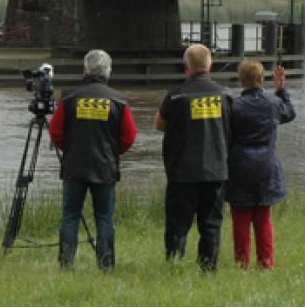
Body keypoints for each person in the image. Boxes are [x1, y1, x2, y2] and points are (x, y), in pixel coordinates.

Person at [49, 49, 137, 271]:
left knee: (70, 216)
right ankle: (106, 265)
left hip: (74, 166)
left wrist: (69, 148)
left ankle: (66, 264)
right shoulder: (118, 100)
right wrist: (113, 152)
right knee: (104, 218)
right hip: (105, 167)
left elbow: (55, 131)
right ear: (110, 71)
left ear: (84, 70)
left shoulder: (69, 97)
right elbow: (129, 136)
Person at [155, 43, 231, 271]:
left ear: (185, 67)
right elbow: (231, 126)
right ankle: (208, 266)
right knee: (211, 223)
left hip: (182, 171)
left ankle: (174, 262)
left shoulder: (176, 96)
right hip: (215, 169)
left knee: (178, 222)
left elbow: (160, 124)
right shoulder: (225, 95)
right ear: (211, 65)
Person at [225, 60, 296, 269]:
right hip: (266, 165)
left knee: (240, 218)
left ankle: (241, 263)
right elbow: (289, 113)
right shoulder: (273, 104)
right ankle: (266, 263)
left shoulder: (233, 105)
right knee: (263, 219)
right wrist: (281, 89)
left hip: (240, 165)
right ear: (262, 79)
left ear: (241, 80)